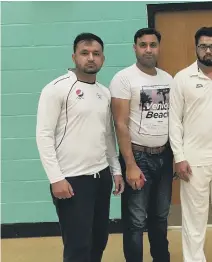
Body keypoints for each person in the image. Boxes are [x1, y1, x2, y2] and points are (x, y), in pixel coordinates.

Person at [36, 32, 124, 262]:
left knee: (98, 240)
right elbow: (43, 136)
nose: (91, 58)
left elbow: (108, 136)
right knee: (78, 246)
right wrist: (56, 178)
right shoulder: (56, 89)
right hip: (72, 180)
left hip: (101, 177)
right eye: (85, 53)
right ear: (74, 56)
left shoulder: (104, 93)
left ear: (103, 58)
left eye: (96, 53)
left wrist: (115, 170)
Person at [169, 26, 212, 262]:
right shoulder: (182, 78)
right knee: (194, 220)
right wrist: (179, 157)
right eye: (203, 46)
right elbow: (174, 122)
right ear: (196, 48)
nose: (208, 51)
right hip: (193, 162)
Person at [109, 28, 174, 262]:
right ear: (135, 48)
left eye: (153, 44)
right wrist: (130, 164)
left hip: (165, 158)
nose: (148, 49)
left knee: (160, 217)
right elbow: (120, 123)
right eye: (143, 45)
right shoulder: (124, 79)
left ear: (159, 47)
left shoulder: (168, 79)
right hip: (138, 158)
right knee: (135, 222)